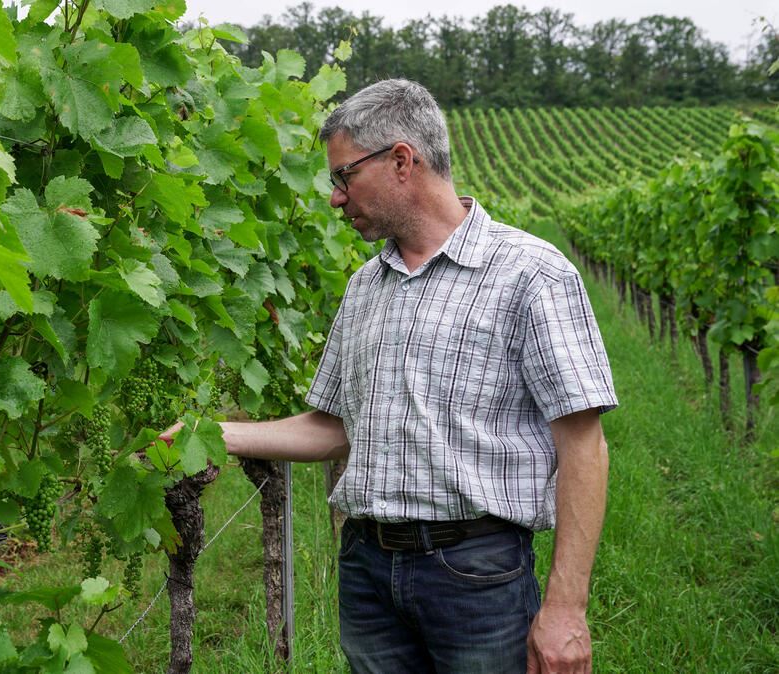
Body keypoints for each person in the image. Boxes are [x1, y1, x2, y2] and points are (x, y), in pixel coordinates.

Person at [165, 78, 617, 673]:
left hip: (476, 573)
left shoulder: (532, 275)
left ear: (402, 160)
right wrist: (212, 434)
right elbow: (334, 427)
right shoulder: (364, 286)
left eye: (344, 176)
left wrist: (565, 609)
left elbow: (583, 446)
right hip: (367, 570)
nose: (335, 198)